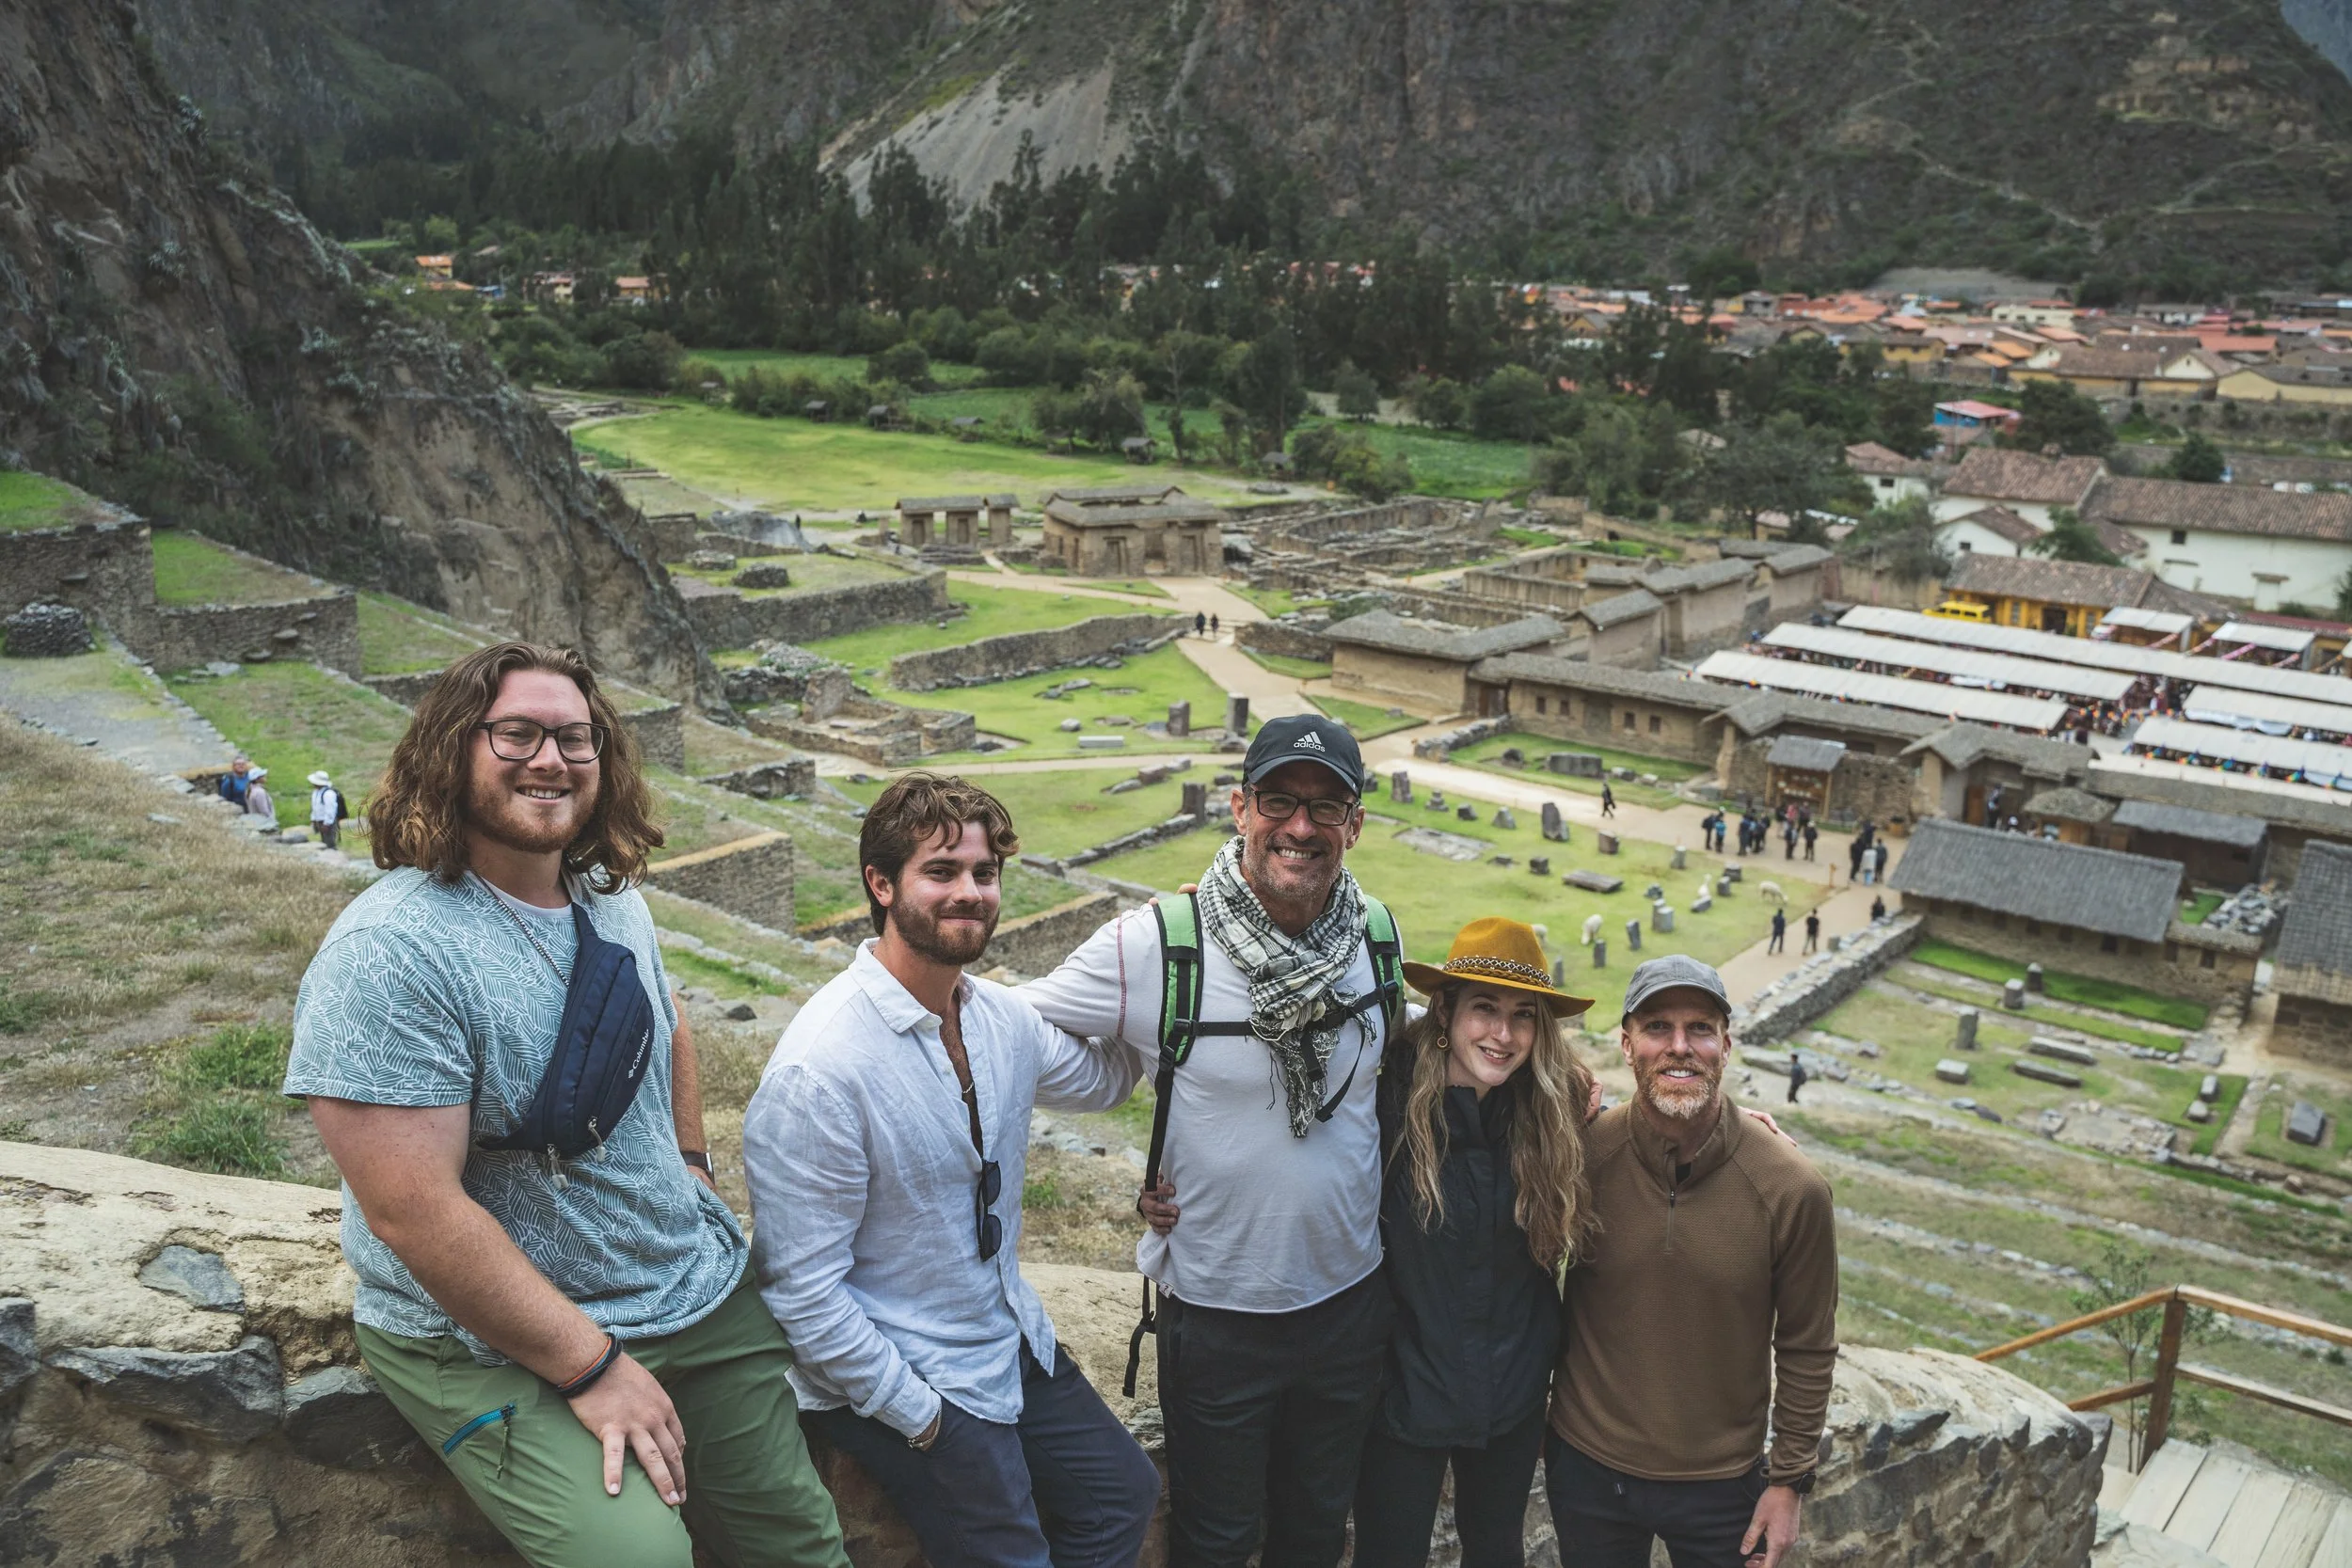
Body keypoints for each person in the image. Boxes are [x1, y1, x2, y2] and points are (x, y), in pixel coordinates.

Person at [283, 642, 848, 1568]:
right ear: (453, 748)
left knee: (802, 1550)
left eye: (575, 738)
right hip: (488, 1341)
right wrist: (591, 1364)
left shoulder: (611, 900)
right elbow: (412, 1210)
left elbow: (668, 1023)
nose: (551, 758)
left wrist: (692, 1168)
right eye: (518, 733)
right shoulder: (389, 952)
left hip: (690, 1292)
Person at [743, 774, 1158, 1568]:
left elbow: (1106, 1079)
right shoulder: (821, 1070)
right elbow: (802, 1295)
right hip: (905, 1366)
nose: (970, 891)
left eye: (984, 872)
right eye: (941, 871)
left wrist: (1159, 949)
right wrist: (924, 1416)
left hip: (1001, 1332)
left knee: (1121, 1494)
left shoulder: (998, 1018)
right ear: (880, 883)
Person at [1023, 714, 1402, 1568]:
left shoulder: (1376, 935)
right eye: (1279, 800)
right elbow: (1013, 1024)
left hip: (1350, 1304)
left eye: (1325, 806)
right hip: (1220, 1314)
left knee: (1315, 1533)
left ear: (1354, 823)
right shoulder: (1161, 944)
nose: (1300, 825)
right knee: (1217, 1541)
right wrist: (1116, 1071)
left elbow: (1403, 1047)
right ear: (1240, 808)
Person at [1547, 956, 1838, 1568]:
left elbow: (1807, 1344)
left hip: (1722, 1485)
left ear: (1726, 1046)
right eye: (1657, 1027)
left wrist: (1789, 1480)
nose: (1679, 1046)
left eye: (1700, 1028)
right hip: (1588, 1468)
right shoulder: (1582, 1156)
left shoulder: (1792, 1188)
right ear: (1627, 1044)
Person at [1349, 919, 1596, 1568]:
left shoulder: (1554, 1111)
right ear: (1446, 1011)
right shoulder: (1383, 1101)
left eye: (1523, 1016)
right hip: (1403, 1390)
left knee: (1496, 1551)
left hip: (1513, 1390)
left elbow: (1652, 1131)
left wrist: (1742, 1126)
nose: (1503, 1034)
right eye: (1485, 1008)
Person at [309, 768, 346, 849]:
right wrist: (313, 819)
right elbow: (314, 807)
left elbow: (331, 810)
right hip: (320, 821)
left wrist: (327, 824)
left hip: (328, 822)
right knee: (323, 841)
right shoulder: (316, 792)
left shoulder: (329, 793)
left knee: (330, 842)